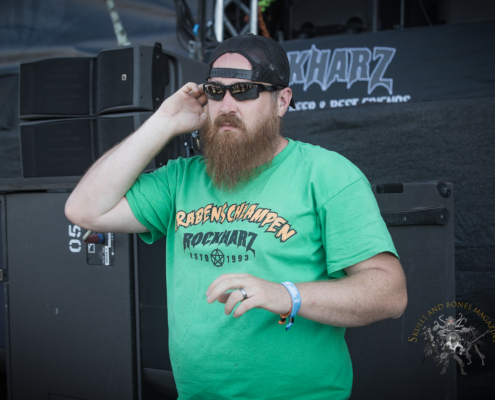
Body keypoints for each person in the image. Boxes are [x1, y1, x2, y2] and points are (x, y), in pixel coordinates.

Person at [65, 34, 407, 400]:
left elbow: (390, 293)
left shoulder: (327, 174)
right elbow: (85, 209)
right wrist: (163, 121)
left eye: (244, 91)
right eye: (215, 91)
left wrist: (287, 294)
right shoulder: (181, 178)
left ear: (282, 101)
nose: (227, 105)